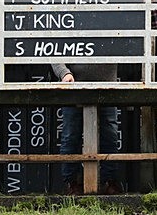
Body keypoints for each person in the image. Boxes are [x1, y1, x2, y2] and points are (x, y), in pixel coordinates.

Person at [52, 62, 122, 195]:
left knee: (110, 136)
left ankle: (109, 181)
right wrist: (64, 73)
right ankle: (71, 183)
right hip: (73, 87)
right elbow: (54, 53)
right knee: (71, 136)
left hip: (107, 87)